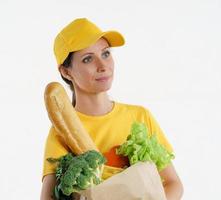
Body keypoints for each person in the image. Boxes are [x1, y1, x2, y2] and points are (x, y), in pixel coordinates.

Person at [40, 18, 184, 200]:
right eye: (88, 59)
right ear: (66, 72)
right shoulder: (61, 132)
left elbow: (173, 184)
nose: (103, 66)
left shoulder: (139, 116)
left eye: (106, 54)